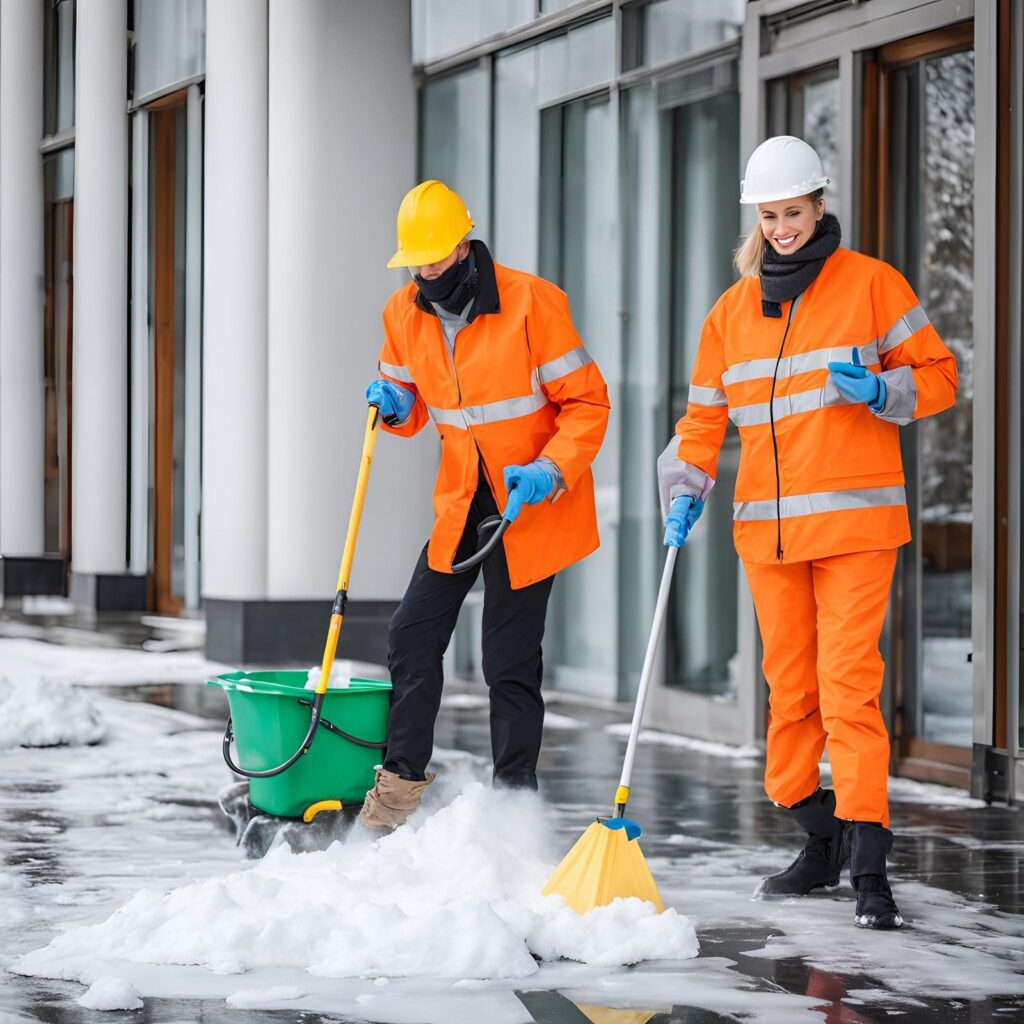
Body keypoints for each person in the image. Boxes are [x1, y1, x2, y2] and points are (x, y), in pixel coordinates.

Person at [658, 137, 957, 929]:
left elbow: (940, 375)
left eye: (794, 212)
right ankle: (817, 829)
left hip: (857, 529)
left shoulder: (871, 285)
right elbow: (703, 419)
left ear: (820, 206)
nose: (783, 227)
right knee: (789, 694)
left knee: (849, 690)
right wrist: (685, 486)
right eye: (771, 215)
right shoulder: (731, 313)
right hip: (770, 538)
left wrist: (885, 387)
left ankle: (869, 868)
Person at [358, 180, 610, 831]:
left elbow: (586, 404)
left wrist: (551, 468)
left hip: (531, 499)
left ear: (465, 247)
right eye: (416, 263)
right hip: (464, 499)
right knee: (412, 635)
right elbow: (408, 400)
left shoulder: (532, 303)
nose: (425, 274)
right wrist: (395, 406)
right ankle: (397, 791)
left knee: (509, 657)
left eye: (436, 262)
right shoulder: (403, 314)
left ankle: (514, 802)